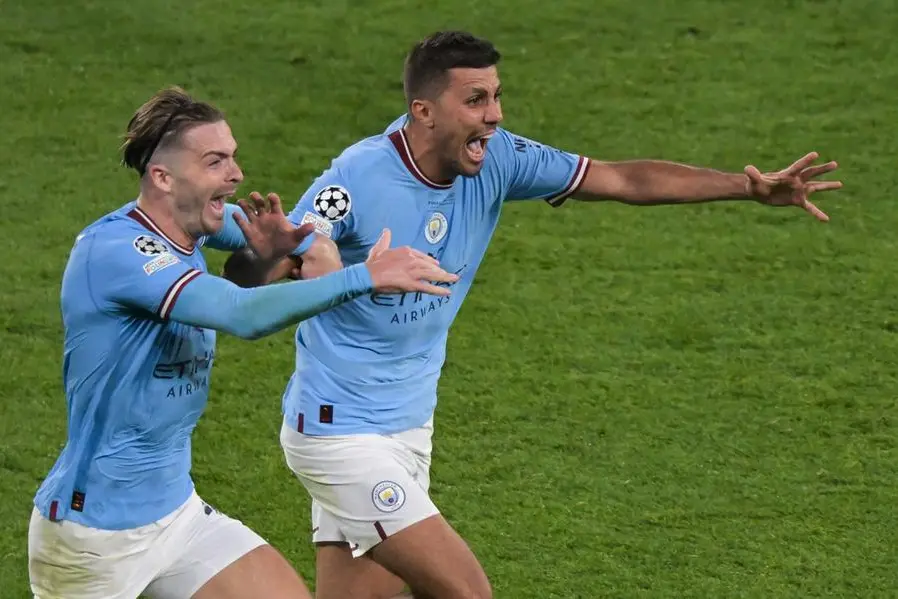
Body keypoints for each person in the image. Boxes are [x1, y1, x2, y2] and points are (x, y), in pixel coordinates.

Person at [224, 31, 843, 599]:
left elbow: (620, 179)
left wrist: (747, 187)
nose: (494, 115)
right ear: (424, 112)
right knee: (467, 590)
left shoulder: (499, 158)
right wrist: (268, 258)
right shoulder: (355, 179)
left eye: (496, 97)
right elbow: (260, 280)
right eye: (475, 100)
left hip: (408, 427)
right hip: (337, 431)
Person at [27, 86, 458, 599]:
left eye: (232, 157)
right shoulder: (118, 251)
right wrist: (363, 277)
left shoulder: (192, 226)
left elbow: (275, 234)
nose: (236, 175)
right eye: (216, 162)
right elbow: (240, 312)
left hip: (177, 515)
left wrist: (303, 245)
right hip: (93, 536)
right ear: (163, 177)